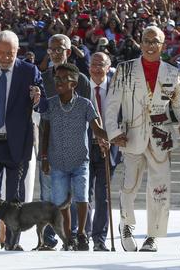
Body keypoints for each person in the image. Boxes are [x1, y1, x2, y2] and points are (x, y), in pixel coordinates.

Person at [106, 26, 180, 252]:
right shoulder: (123, 70)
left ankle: (153, 235)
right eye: (147, 41)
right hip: (130, 136)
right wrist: (113, 132)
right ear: (140, 43)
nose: (151, 45)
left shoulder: (173, 73)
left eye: (156, 42)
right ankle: (126, 224)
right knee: (130, 185)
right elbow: (112, 104)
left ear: (163, 45)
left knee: (159, 187)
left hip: (161, 138)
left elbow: (179, 104)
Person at [0, 30, 46, 251]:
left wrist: (37, 99)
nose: (5, 58)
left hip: (16, 143)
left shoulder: (29, 71)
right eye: (1, 53)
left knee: (15, 197)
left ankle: (13, 242)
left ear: (17, 52)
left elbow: (42, 106)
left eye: (10, 53)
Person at [40, 63, 109, 251]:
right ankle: (69, 235)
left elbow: (96, 129)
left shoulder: (85, 104)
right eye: (57, 78)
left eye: (63, 79)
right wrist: (44, 157)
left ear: (74, 83)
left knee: (82, 197)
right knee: (61, 201)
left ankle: (81, 234)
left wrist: (112, 137)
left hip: (80, 160)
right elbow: (45, 132)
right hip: (57, 161)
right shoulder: (51, 104)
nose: (58, 81)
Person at [39, 34, 91, 250]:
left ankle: (79, 235)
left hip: (76, 148)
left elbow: (88, 114)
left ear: (69, 52)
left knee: (79, 194)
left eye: (60, 49)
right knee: (50, 193)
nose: (56, 53)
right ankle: (51, 239)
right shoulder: (41, 79)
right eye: (52, 49)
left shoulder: (82, 80)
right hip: (49, 145)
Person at [85, 52, 121, 251]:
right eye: (93, 64)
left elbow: (123, 116)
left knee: (103, 195)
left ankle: (99, 238)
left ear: (109, 67)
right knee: (83, 194)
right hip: (84, 147)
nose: (97, 68)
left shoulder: (117, 89)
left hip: (109, 148)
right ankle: (84, 235)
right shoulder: (81, 87)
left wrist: (111, 137)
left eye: (101, 65)